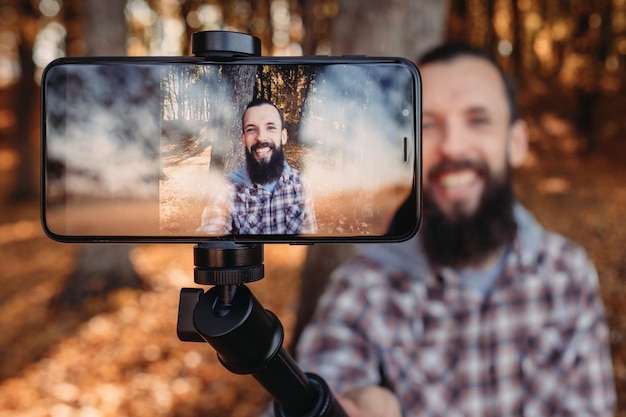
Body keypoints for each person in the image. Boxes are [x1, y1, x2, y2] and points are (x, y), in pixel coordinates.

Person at [293, 43, 616, 417]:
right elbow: (327, 379)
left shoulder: (567, 276)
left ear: (516, 143)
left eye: (477, 119)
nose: (452, 145)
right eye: (427, 124)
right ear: (408, 147)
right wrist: (344, 406)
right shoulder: (363, 290)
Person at [196, 98, 317, 235]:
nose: (261, 137)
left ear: (283, 136)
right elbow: (210, 237)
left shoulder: (300, 184)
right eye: (251, 129)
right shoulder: (226, 189)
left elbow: (310, 243)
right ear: (243, 139)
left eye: (270, 127)